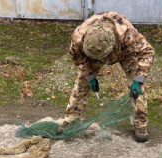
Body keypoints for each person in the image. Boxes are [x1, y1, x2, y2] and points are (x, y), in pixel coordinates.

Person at [57, 11, 155, 142]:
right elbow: (77, 57)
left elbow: (147, 52)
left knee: (136, 88)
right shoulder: (78, 37)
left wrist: (138, 79)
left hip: (124, 52)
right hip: (92, 56)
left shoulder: (127, 33)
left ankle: (140, 123)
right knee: (82, 83)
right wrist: (89, 75)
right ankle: (71, 119)